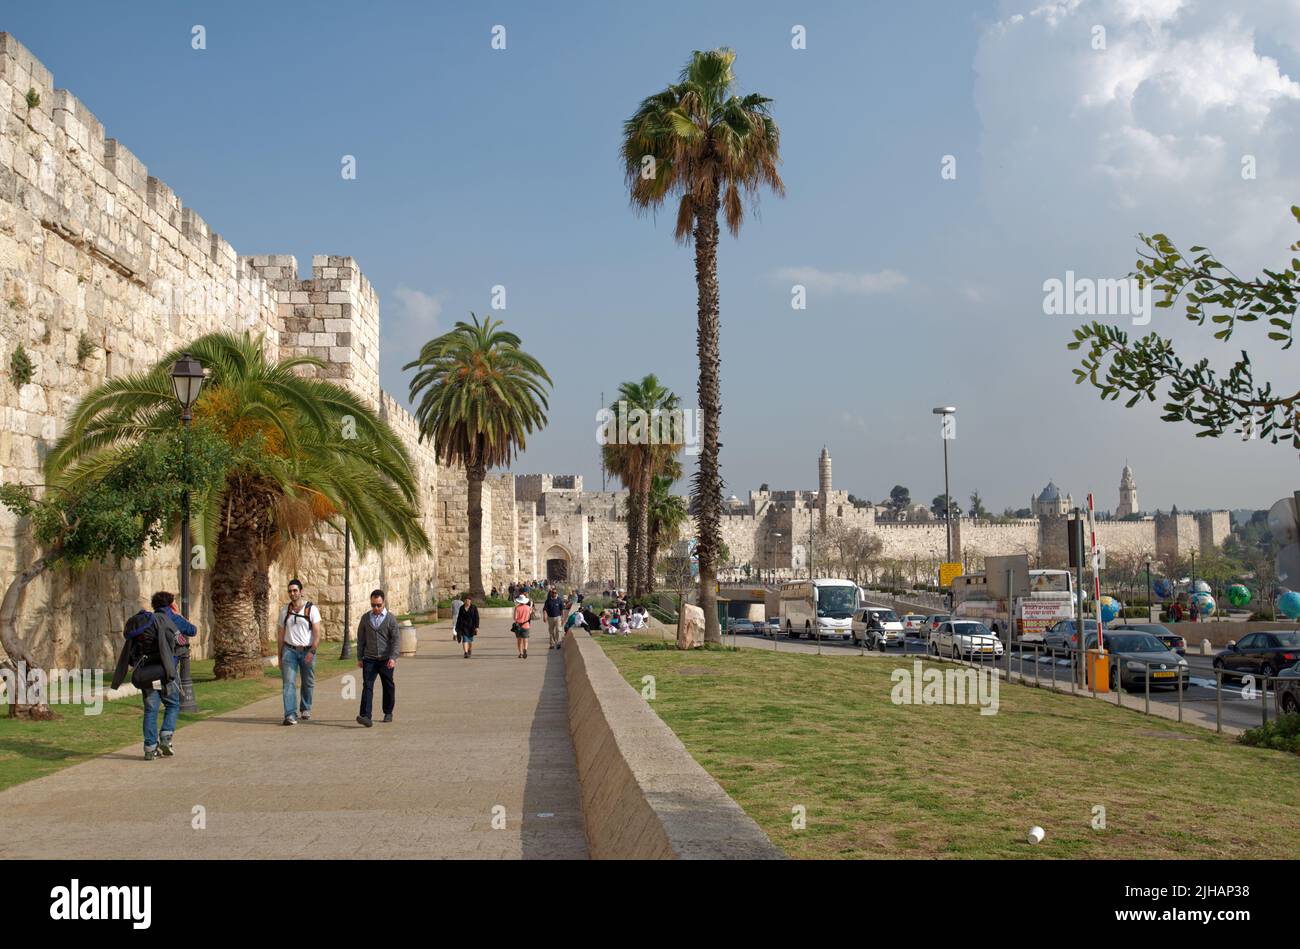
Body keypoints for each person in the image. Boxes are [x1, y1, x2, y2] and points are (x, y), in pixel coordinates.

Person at [112, 592, 184, 760]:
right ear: (170, 605)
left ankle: (150, 748)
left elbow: (129, 654)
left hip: (145, 674)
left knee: (151, 710)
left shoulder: (138, 625)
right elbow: (180, 640)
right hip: (165, 671)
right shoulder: (163, 620)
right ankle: (166, 737)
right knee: (172, 704)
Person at [277, 578, 321, 726]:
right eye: (290, 591)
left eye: (295, 590)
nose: (292, 593)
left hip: (307, 650)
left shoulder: (311, 609)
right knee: (288, 683)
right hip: (290, 651)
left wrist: (312, 652)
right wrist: (280, 655)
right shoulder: (285, 611)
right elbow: (281, 635)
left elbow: (317, 633)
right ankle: (290, 714)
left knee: (308, 682)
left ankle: (305, 707)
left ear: (301, 591)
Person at [356, 589, 399, 726]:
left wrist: (393, 657)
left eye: (378, 605)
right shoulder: (365, 618)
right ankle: (365, 715)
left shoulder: (391, 619)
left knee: (388, 686)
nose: (376, 608)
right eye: (373, 605)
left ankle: (388, 712)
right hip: (369, 658)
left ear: (383, 603)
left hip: (386, 659)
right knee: (367, 686)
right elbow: (361, 639)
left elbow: (396, 640)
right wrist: (360, 657)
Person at [456, 592, 480, 658]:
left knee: (470, 641)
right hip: (463, 627)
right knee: (465, 639)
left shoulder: (474, 607)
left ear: (470, 601)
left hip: (471, 627)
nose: (467, 602)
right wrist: (457, 627)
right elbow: (459, 618)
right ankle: (466, 653)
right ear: (464, 601)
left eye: (468, 600)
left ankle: (469, 650)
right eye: (466, 600)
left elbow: (477, 618)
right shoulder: (461, 608)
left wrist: (477, 627)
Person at [513, 593, 532, 658]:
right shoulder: (528, 608)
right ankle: (525, 649)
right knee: (525, 640)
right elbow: (529, 616)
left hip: (518, 626)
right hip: (526, 625)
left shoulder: (517, 608)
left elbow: (515, 618)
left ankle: (520, 653)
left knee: (519, 640)